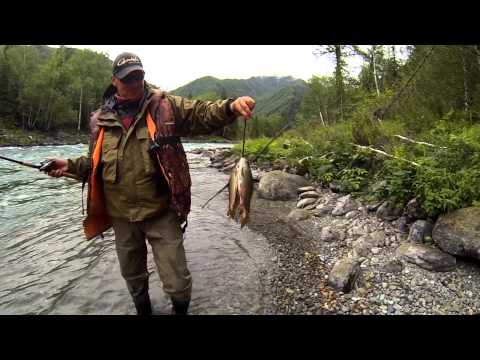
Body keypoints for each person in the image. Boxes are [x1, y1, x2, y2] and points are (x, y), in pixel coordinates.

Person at [47, 52, 255, 315]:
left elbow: (200, 113)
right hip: (121, 215)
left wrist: (230, 107)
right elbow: (94, 164)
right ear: (114, 81)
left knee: (178, 283)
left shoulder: (164, 106)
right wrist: (69, 166)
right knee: (133, 278)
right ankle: (143, 310)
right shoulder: (100, 121)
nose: (135, 82)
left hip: (161, 211)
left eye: (139, 76)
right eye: (127, 78)